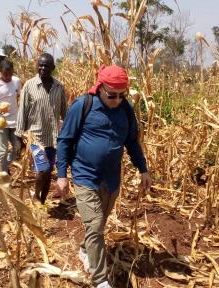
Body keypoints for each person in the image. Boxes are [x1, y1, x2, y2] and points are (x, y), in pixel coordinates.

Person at [56, 65, 152, 288]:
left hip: (111, 179)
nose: (117, 100)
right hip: (85, 175)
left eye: (122, 95)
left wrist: (143, 169)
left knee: (97, 225)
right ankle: (100, 279)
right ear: (100, 87)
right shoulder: (83, 105)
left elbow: (132, 143)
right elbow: (65, 140)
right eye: (112, 95)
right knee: (96, 223)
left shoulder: (125, 109)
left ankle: (84, 250)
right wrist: (62, 175)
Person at [16, 53, 67, 204]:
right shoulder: (29, 85)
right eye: (41, 65)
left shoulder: (59, 87)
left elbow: (65, 112)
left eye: (46, 65)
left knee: (48, 172)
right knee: (43, 169)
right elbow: (22, 111)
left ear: (53, 68)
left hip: (53, 137)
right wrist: (19, 136)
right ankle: (36, 198)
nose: (43, 68)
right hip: (35, 137)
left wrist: (71, 131)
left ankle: (42, 202)